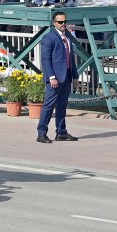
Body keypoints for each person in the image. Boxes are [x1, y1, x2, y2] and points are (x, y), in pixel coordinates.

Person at [37, 12, 79, 143]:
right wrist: (51, 77)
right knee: (49, 106)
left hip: (66, 76)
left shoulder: (67, 37)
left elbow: (70, 57)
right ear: (54, 23)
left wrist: (75, 75)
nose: (63, 24)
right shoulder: (49, 37)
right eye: (60, 22)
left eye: (64, 21)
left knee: (62, 106)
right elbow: (46, 59)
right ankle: (41, 133)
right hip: (55, 78)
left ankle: (61, 132)